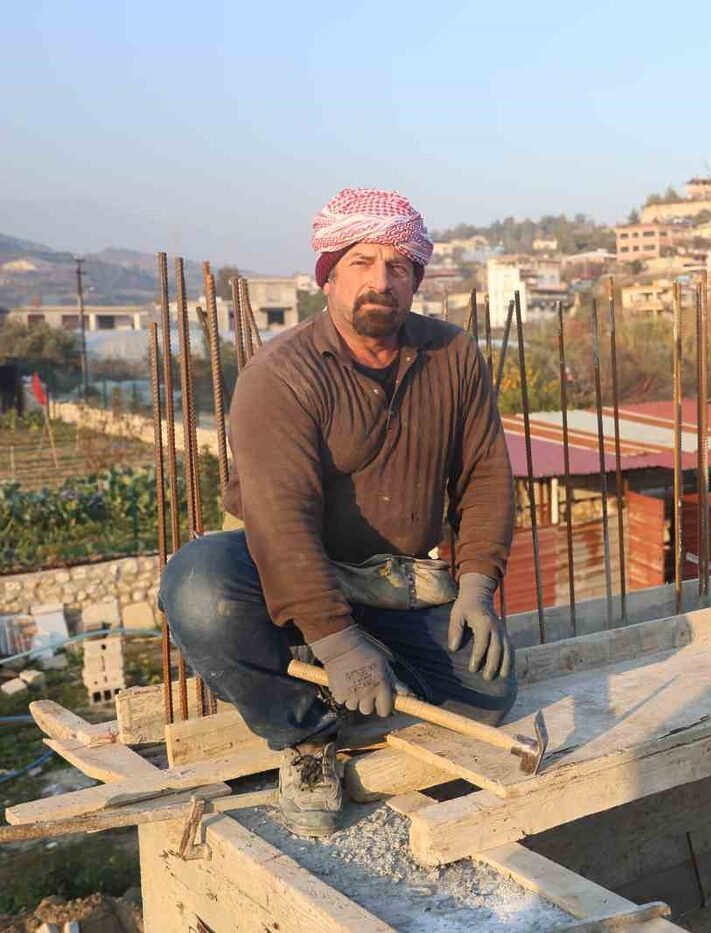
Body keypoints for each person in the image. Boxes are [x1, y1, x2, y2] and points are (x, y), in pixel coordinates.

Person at [159, 188, 517, 836]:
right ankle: (305, 734)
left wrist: (477, 586)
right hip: (290, 568)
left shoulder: (453, 355)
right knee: (198, 586)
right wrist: (338, 639)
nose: (380, 280)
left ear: (416, 277)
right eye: (360, 262)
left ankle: (352, 673)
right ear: (328, 274)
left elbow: (486, 475)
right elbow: (281, 519)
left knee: (490, 694)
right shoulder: (281, 374)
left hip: (393, 579)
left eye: (398, 265)